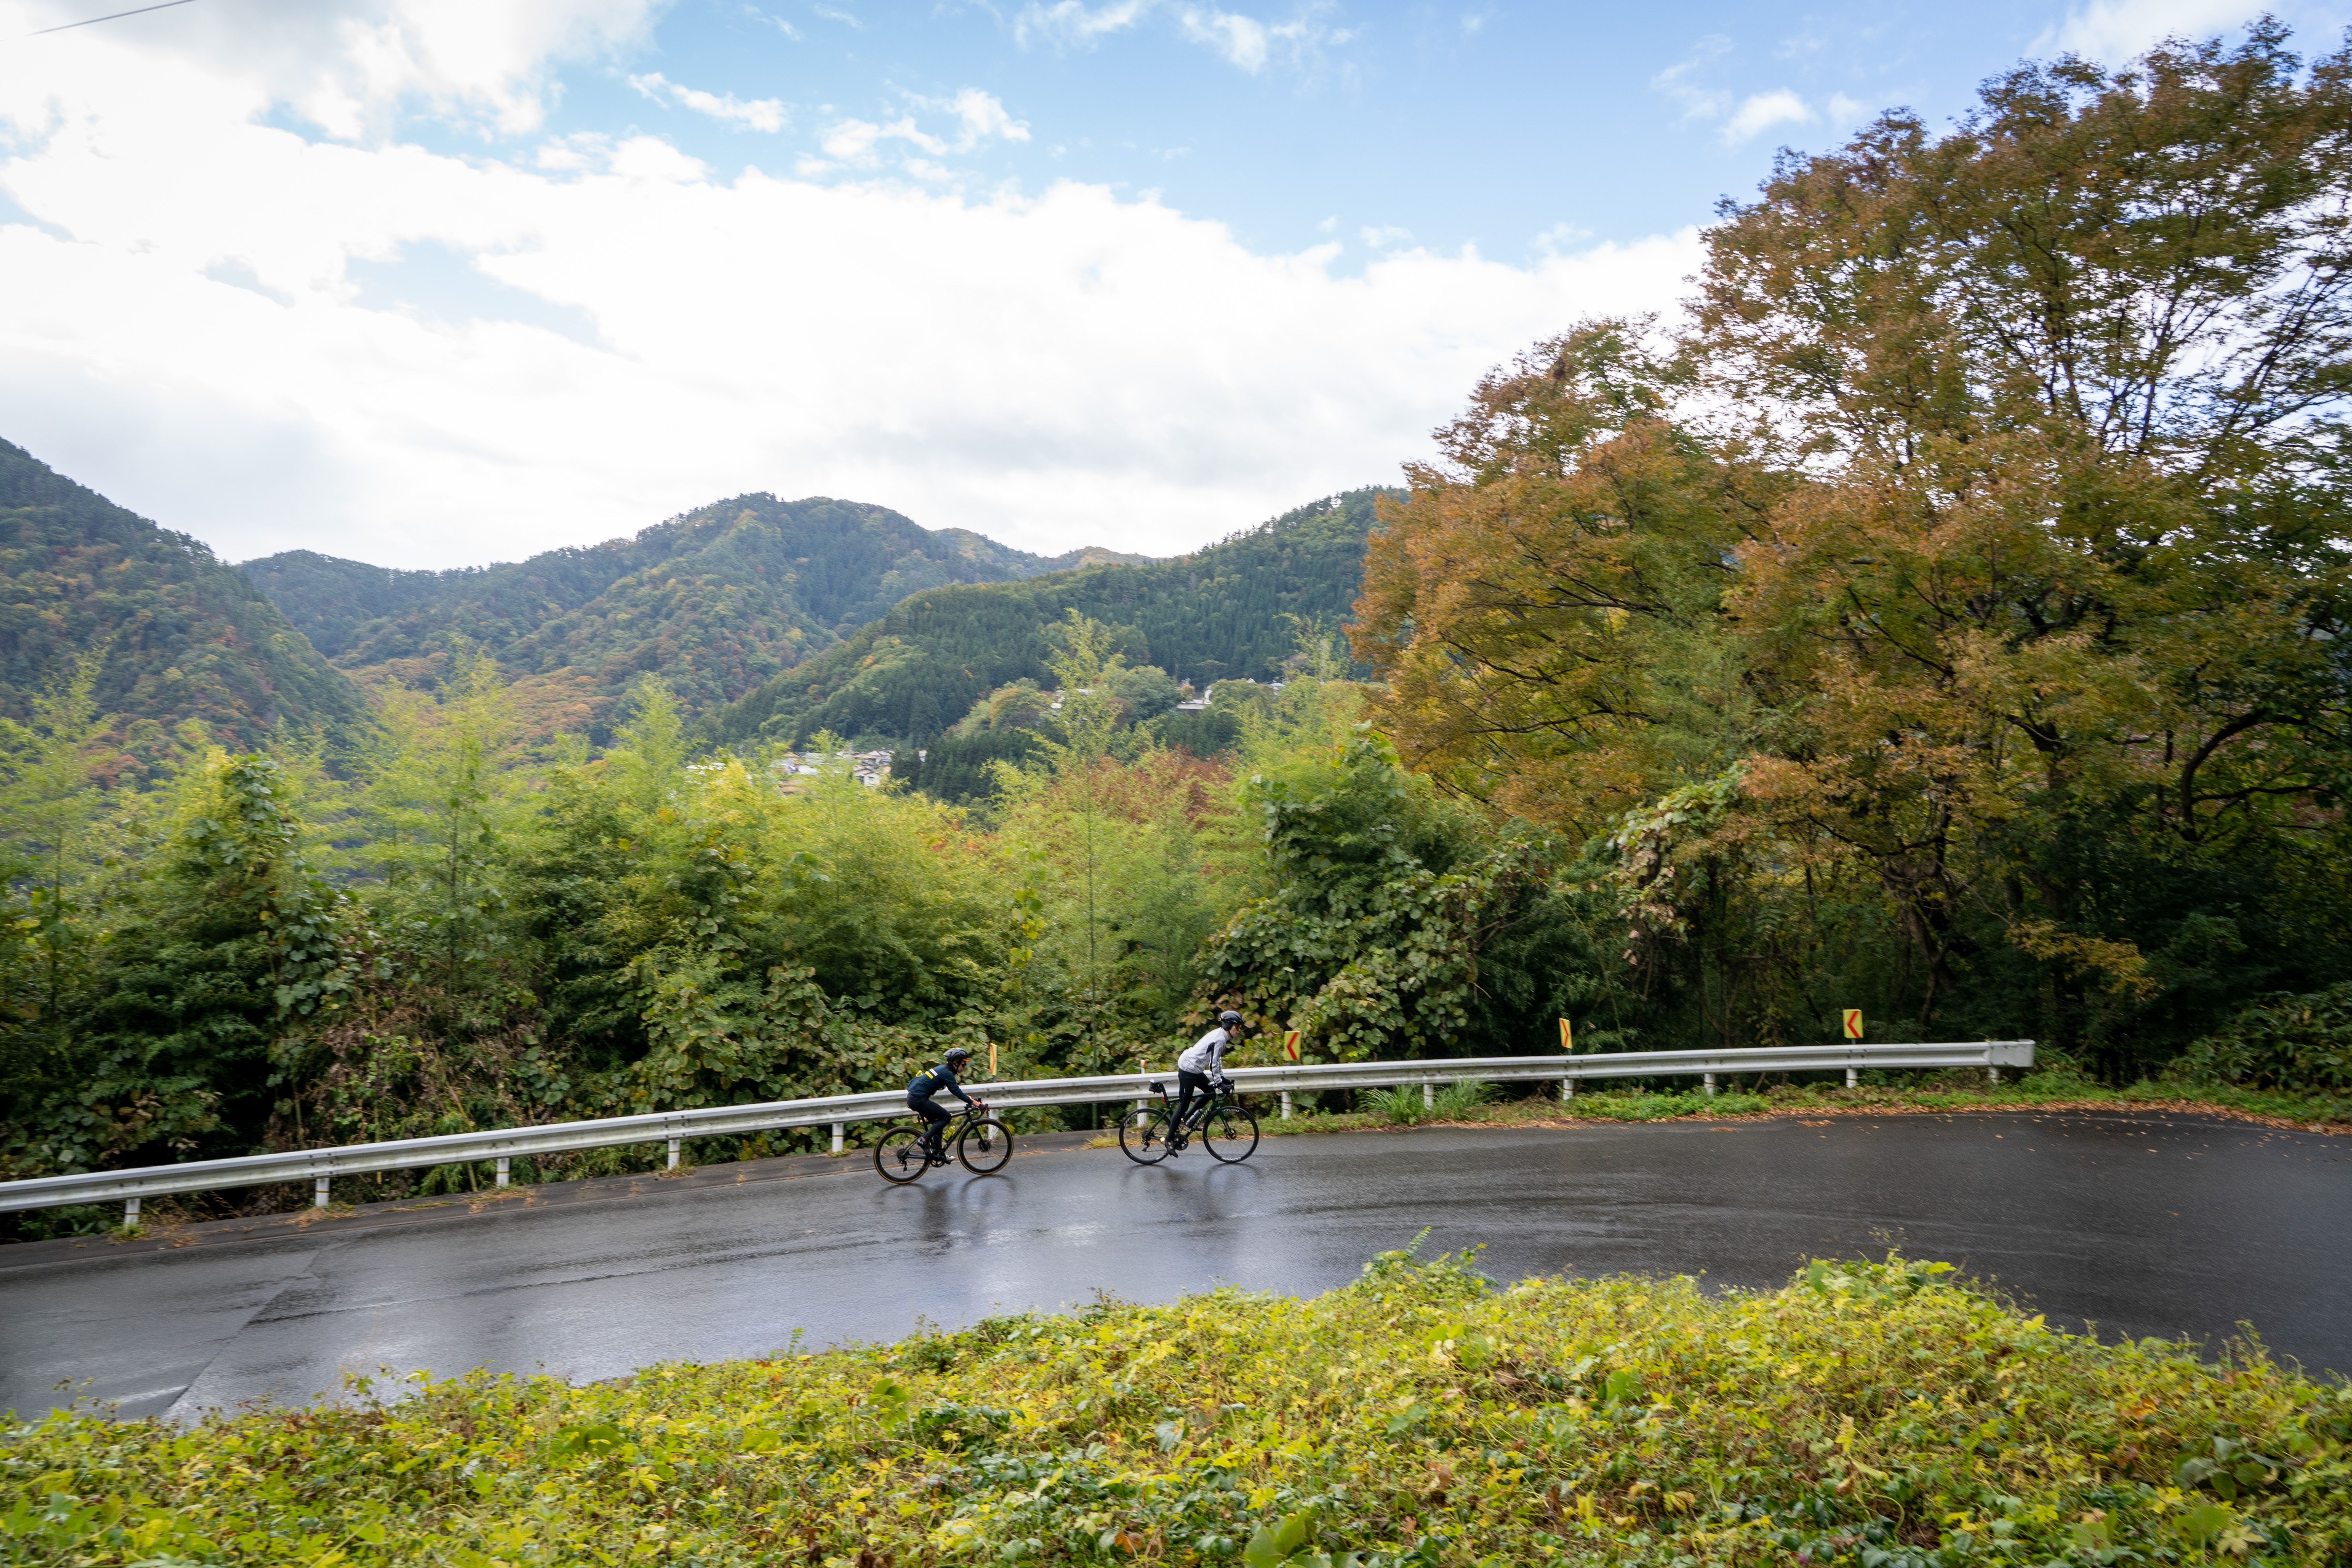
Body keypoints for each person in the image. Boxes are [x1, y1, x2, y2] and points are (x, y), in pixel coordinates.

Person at [1170, 1012, 1243, 1145]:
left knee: (1210, 1092)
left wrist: (1222, 1078)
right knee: (1184, 1104)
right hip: (1188, 1068)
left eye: (1240, 1028)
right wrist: (1220, 1083)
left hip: (1196, 1069)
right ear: (1229, 1026)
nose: (1239, 1031)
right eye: (1237, 1028)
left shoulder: (1222, 1035)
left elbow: (1217, 1059)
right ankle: (1169, 1139)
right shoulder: (1221, 1038)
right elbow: (1213, 1064)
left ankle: (1188, 1119)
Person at [907, 1047, 977, 1158]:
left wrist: (971, 1099)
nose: (965, 1067)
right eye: (963, 1065)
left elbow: (956, 1091)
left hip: (915, 1098)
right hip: (918, 1100)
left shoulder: (943, 1069)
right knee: (946, 1117)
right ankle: (923, 1140)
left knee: (938, 1122)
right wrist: (975, 1103)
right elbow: (957, 1092)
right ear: (956, 1063)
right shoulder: (947, 1073)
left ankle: (938, 1153)